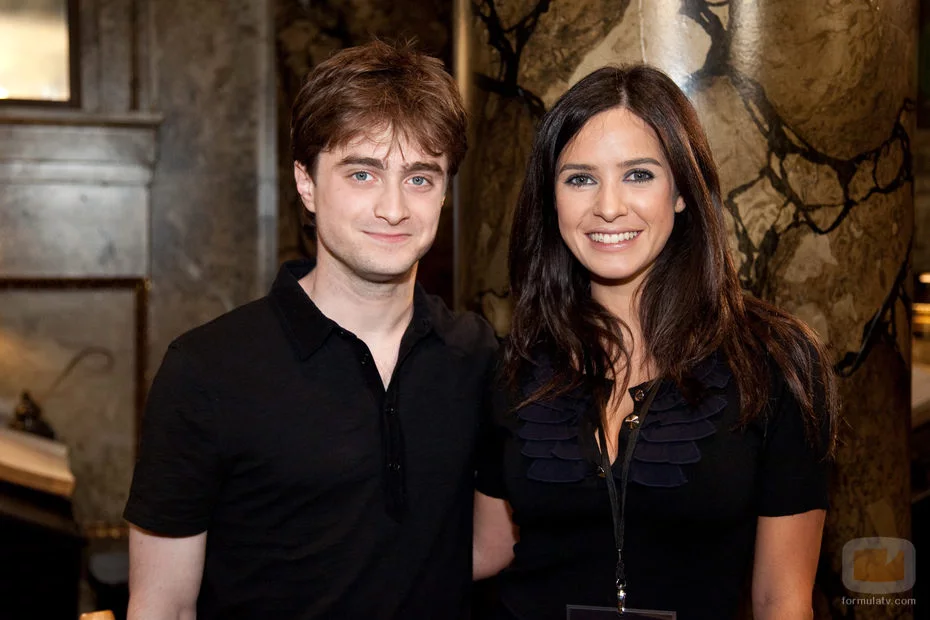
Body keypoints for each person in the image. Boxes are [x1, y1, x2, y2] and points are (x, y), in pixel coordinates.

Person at [124, 40, 497, 619]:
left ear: (445, 192)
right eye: (363, 173)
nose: (394, 208)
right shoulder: (207, 370)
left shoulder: (476, 354)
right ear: (306, 183)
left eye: (420, 178)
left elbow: (490, 547)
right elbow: (163, 605)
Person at [472, 65, 838, 620]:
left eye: (639, 175)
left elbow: (781, 600)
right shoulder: (517, 364)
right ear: (552, 200)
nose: (609, 206)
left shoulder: (773, 362)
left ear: (683, 191)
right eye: (579, 179)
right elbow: (489, 546)